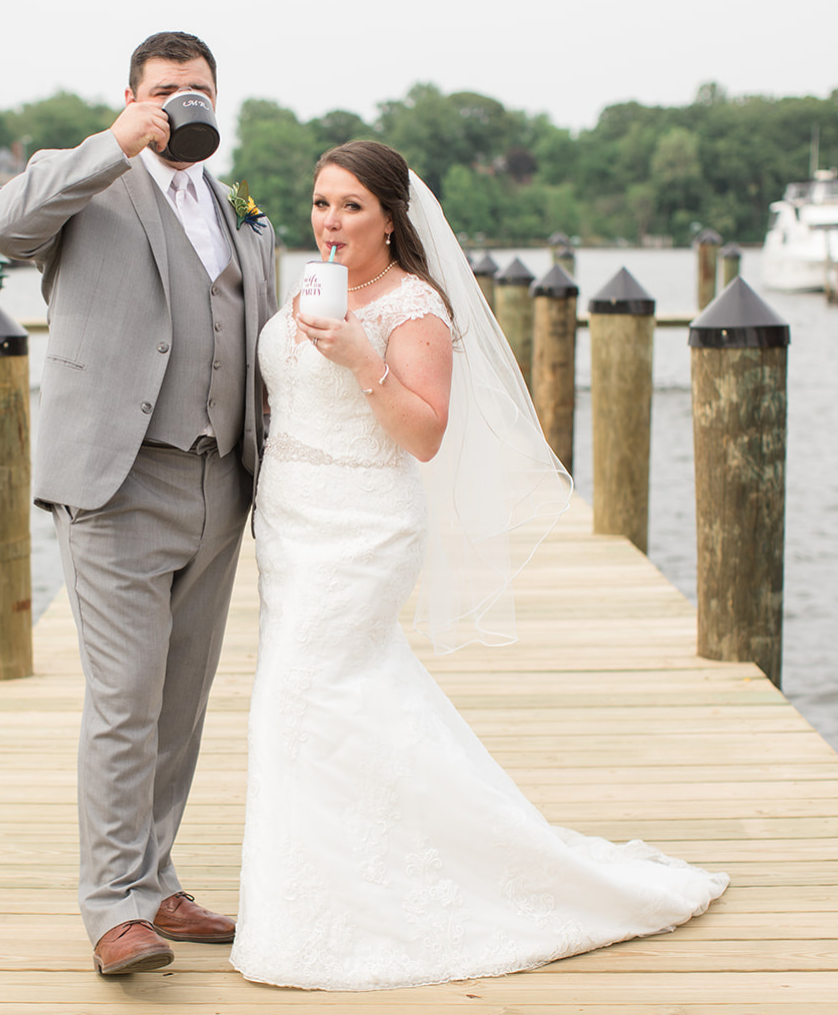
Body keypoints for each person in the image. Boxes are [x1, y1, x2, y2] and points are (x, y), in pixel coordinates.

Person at [230, 141, 728, 990]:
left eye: (351, 206)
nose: (331, 221)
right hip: (290, 528)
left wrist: (360, 355)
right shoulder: (313, 289)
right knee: (335, 703)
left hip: (362, 532)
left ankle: (334, 910)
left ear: (391, 218)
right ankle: (335, 884)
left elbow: (425, 433)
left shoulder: (414, 308)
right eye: (321, 203)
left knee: (297, 698)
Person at [0, 32, 278, 976]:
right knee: (124, 699)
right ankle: (110, 904)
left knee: (181, 700)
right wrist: (116, 141)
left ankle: (156, 883)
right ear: (132, 95)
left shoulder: (240, 209)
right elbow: (2, 226)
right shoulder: (81, 183)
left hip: (219, 480)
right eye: (164, 90)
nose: (181, 103)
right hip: (118, 480)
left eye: (196, 91)